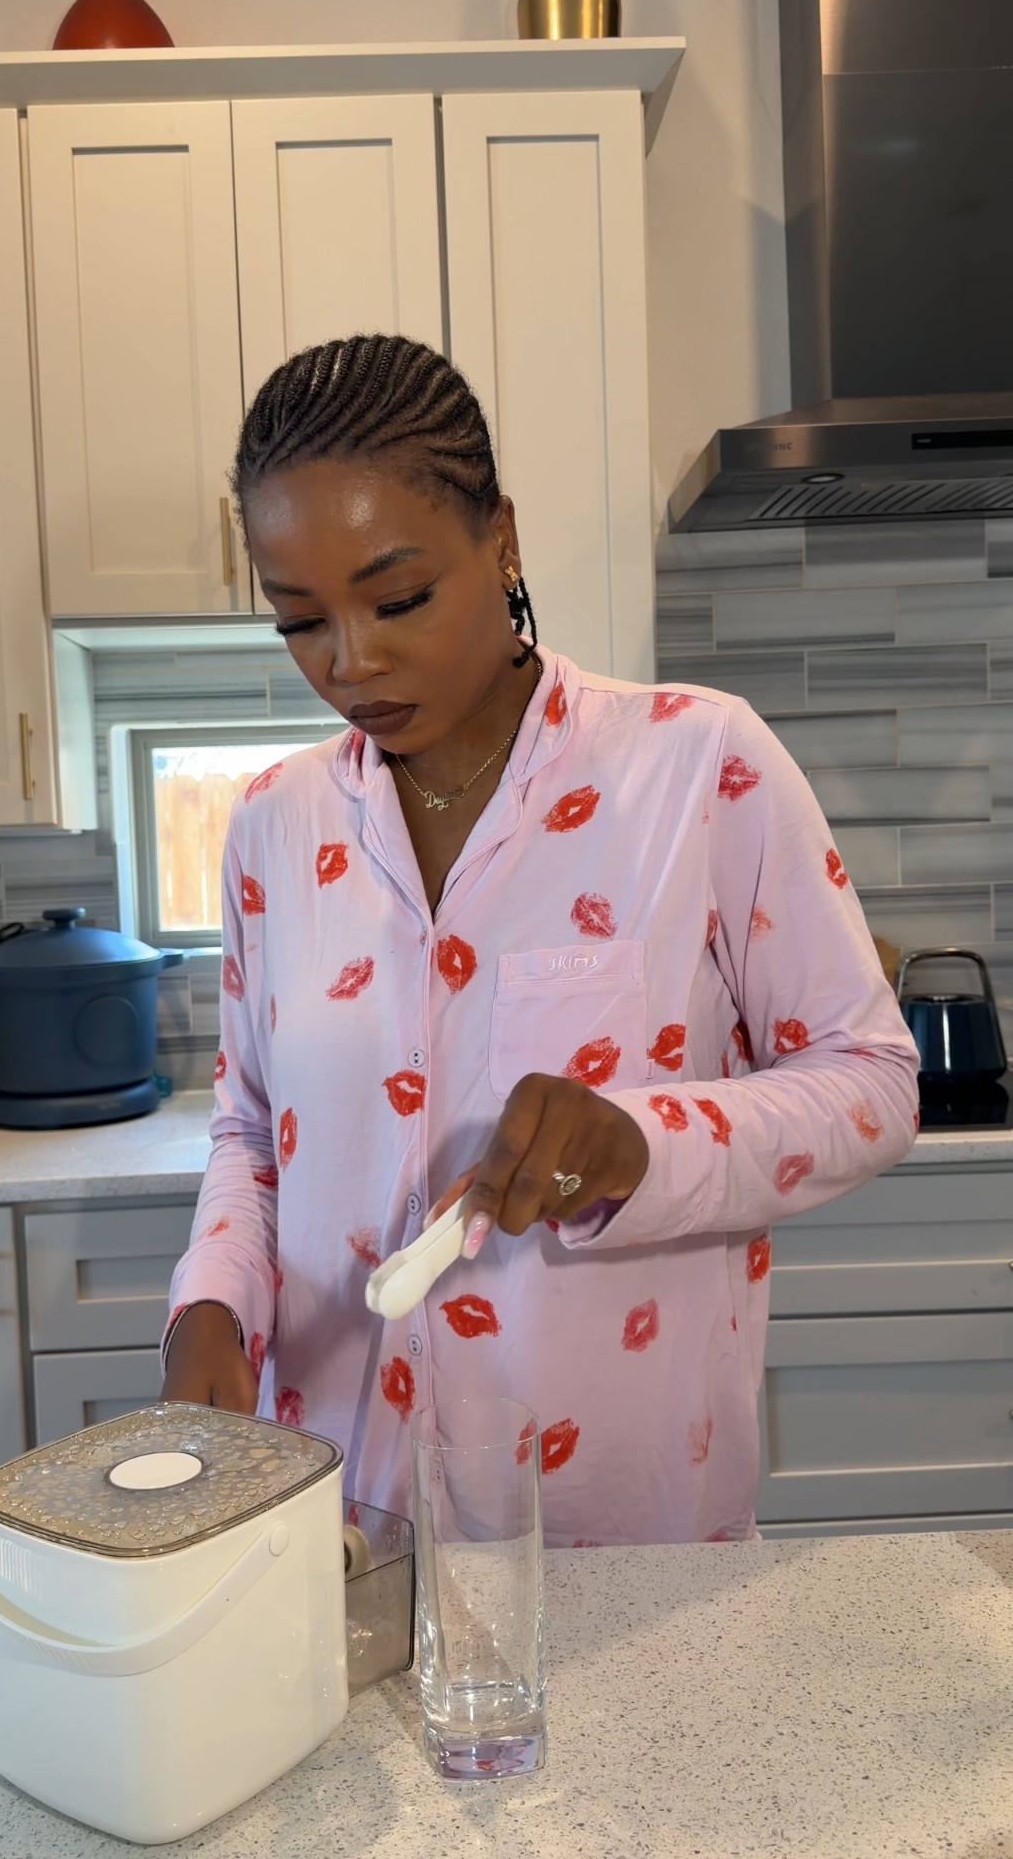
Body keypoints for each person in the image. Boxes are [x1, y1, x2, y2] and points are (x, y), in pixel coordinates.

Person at [161, 332, 920, 1545]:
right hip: (339, 1525)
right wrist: (209, 1299)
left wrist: (641, 1143)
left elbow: (873, 1083)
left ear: (500, 537)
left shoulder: (698, 765)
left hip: (618, 1540)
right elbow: (253, 1132)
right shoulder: (271, 825)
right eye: (300, 621)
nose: (352, 663)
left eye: (399, 597)